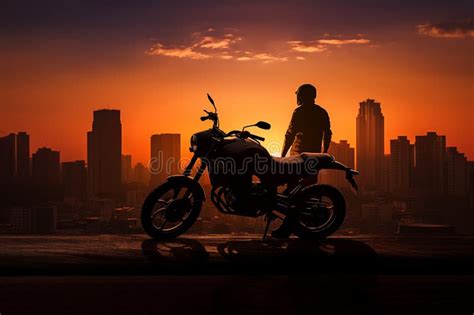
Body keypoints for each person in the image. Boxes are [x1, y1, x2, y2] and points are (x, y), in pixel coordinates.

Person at [271, 83, 333, 238]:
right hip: (313, 159)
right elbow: (328, 133)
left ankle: (287, 226)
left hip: (297, 157)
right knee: (307, 191)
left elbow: (289, 134)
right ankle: (300, 225)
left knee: (292, 193)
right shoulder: (321, 112)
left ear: (301, 96)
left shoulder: (299, 111)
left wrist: (283, 156)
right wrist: (323, 153)